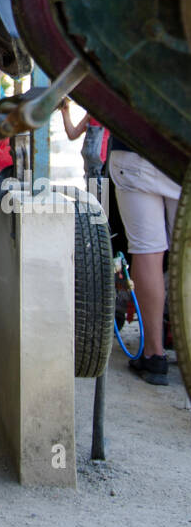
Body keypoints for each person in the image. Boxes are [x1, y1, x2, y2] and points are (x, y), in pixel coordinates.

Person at [107, 139, 182, 385]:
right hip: (183, 153)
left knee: (147, 252)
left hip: (135, 151)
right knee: (187, 257)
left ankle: (154, 355)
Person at [59, 99, 109, 184]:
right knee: (93, 196)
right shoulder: (91, 114)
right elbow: (73, 134)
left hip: (105, 171)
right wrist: (65, 111)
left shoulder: (114, 115)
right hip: (91, 171)